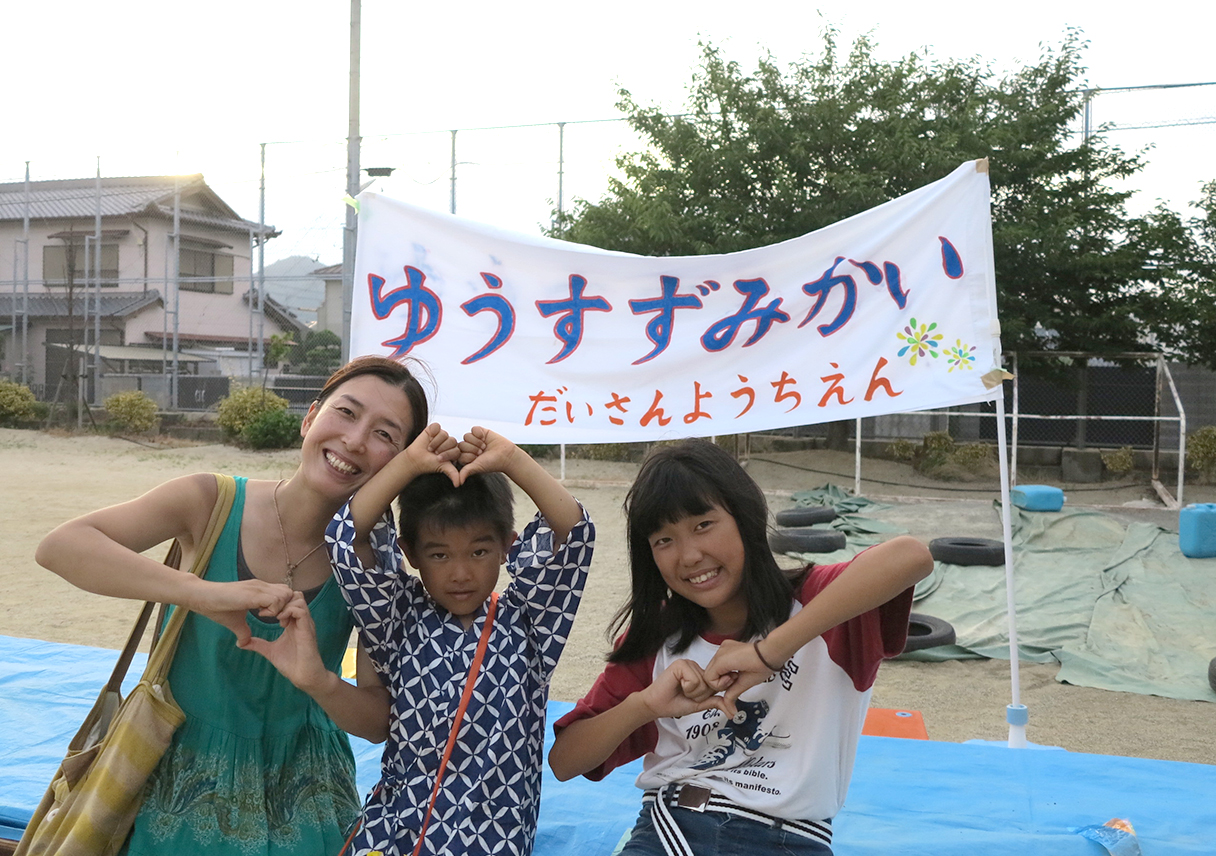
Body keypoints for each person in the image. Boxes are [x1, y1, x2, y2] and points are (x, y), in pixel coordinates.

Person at [34, 355, 429, 856]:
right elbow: (62, 547)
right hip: (173, 785)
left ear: (400, 464)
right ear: (310, 418)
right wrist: (205, 593)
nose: (354, 440)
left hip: (307, 801)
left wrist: (319, 681)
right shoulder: (209, 501)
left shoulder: (375, 565)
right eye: (347, 413)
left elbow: (378, 721)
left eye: (385, 434)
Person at [548, 439, 933, 856]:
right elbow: (566, 761)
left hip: (788, 838)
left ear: (745, 516)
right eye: (664, 540)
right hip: (669, 829)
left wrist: (767, 652)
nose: (690, 555)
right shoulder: (659, 635)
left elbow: (911, 556)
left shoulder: (818, 605)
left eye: (703, 525)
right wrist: (646, 706)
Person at [285, 423, 594, 856]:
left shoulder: (531, 624)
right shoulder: (396, 616)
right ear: (410, 552)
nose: (461, 573)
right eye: (439, 554)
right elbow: (344, 536)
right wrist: (408, 463)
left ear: (508, 546)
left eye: (479, 551)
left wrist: (511, 459)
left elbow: (576, 533)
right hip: (396, 836)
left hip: (495, 843)